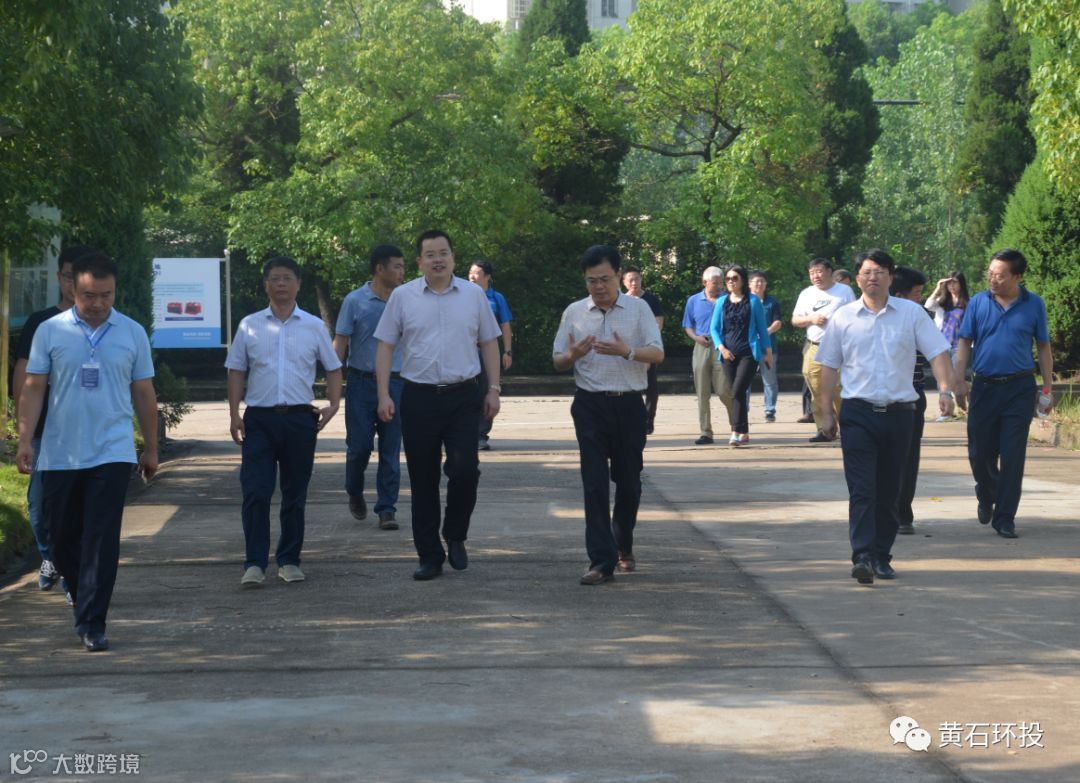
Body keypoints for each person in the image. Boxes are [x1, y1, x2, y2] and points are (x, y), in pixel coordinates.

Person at [16, 252, 159, 652]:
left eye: (105, 295)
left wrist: (150, 447)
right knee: (60, 537)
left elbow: (144, 393)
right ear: (71, 288)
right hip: (60, 452)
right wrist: (25, 440)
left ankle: (93, 622)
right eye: (89, 295)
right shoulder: (51, 331)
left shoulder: (131, 332)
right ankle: (84, 600)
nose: (97, 303)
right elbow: (34, 388)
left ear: (115, 291)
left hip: (112, 451)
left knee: (101, 538)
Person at [816, 250, 954, 584]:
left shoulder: (911, 314)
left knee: (890, 490)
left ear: (891, 277)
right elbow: (829, 366)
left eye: (879, 272)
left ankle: (881, 556)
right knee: (862, 489)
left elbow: (937, 352)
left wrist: (946, 390)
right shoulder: (844, 318)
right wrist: (825, 412)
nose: (872, 278)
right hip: (858, 413)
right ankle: (862, 555)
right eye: (866, 272)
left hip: (899, 415)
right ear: (857, 278)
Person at [375, 230, 502, 581]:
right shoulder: (403, 297)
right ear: (419, 262)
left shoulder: (473, 295)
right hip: (419, 397)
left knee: (465, 470)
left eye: (443, 253)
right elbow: (385, 346)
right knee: (423, 479)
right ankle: (429, 555)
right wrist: (384, 394)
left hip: (464, 396)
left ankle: (455, 533)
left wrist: (493, 389)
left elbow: (489, 342)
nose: (437, 260)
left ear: (453, 257)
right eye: (430, 254)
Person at [226, 257, 343, 588]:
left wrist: (334, 405)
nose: (281, 284)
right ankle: (254, 563)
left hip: (299, 420)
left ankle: (289, 560)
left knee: (295, 493)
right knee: (256, 491)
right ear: (266, 284)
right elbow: (236, 370)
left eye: (287, 278)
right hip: (259, 420)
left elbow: (333, 367)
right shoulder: (249, 325)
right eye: (275, 278)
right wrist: (234, 413)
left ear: (298, 284)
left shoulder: (313, 326)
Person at [553, 245, 664, 585]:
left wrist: (626, 351)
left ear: (618, 275)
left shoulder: (639, 308)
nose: (598, 286)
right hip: (590, 405)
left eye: (604, 279)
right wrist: (572, 354)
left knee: (629, 484)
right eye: (591, 281)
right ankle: (601, 561)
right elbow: (558, 360)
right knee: (594, 484)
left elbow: (657, 353)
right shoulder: (574, 312)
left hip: (628, 405)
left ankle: (622, 542)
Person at [954, 249, 1053, 540]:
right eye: (990, 274)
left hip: (1019, 388)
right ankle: (987, 492)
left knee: (1013, 454)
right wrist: (958, 381)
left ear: (1017, 277)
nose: (992, 280)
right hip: (984, 388)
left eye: (999, 275)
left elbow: (1043, 346)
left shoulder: (1034, 304)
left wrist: (1047, 388)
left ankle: (1005, 517)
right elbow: (964, 342)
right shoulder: (978, 302)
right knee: (979, 453)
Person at [13, 243, 91, 601]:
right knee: (39, 502)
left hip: (83, 431)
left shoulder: (102, 324)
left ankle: (73, 575)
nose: (73, 284)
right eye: (68, 276)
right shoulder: (40, 323)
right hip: (43, 428)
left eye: (80, 277)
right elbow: (23, 374)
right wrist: (22, 429)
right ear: (60, 277)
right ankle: (50, 557)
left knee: (76, 506)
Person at [333, 245, 406, 531]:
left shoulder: (405, 300)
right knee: (359, 447)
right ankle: (354, 489)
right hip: (361, 384)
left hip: (397, 383)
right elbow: (340, 342)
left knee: (391, 449)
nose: (402, 272)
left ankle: (387, 509)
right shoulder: (355, 301)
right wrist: (333, 380)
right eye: (397, 266)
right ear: (379, 268)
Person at [791, 257, 856, 442]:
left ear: (829, 272)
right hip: (814, 347)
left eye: (819, 271)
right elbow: (795, 320)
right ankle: (824, 429)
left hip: (839, 348)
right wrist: (811, 319)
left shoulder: (844, 291)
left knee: (839, 388)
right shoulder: (806, 294)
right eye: (812, 273)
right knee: (815, 387)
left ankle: (847, 427)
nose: (815, 276)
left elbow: (855, 316)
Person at [889, 266, 933, 535]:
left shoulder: (922, 317)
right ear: (899, 295)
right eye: (917, 293)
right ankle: (883, 509)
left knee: (908, 456)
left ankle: (903, 512)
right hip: (878, 396)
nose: (920, 298)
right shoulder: (873, 317)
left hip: (913, 395)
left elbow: (935, 352)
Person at [710, 265, 772, 446]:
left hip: (748, 354)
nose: (730, 281)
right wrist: (721, 348)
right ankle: (744, 432)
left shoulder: (753, 301)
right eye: (728, 278)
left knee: (737, 391)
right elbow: (714, 328)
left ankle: (735, 430)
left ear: (743, 280)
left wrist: (768, 352)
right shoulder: (721, 301)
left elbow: (762, 329)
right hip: (727, 355)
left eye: (734, 278)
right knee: (736, 393)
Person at [681, 267, 732, 445]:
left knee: (724, 390)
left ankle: (737, 425)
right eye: (715, 283)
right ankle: (706, 432)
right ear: (705, 283)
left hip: (722, 347)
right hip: (701, 346)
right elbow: (688, 325)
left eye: (720, 282)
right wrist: (696, 337)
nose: (719, 286)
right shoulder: (693, 300)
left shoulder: (728, 299)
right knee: (702, 392)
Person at [467, 261, 513, 451]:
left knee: (487, 391)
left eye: (477, 273)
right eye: (470, 272)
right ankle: (463, 432)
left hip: (487, 352)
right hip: (466, 351)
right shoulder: (462, 295)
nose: (472, 276)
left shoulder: (496, 298)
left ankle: (481, 435)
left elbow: (505, 325)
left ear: (487, 276)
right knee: (465, 392)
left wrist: (507, 351)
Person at [621, 265, 664, 434]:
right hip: (628, 349)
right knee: (631, 386)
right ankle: (634, 419)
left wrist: (649, 345)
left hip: (648, 348)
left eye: (637, 279)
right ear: (624, 282)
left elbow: (658, 323)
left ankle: (649, 420)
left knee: (651, 386)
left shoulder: (651, 299)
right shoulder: (621, 300)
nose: (634, 282)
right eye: (630, 280)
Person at [925, 270, 971, 419]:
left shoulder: (968, 303)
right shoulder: (943, 302)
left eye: (954, 282)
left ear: (961, 283)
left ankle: (963, 402)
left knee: (957, 378)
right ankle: (946, 411)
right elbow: (928, 305)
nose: (951, 286)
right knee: (943, 378)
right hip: (943, 344)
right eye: (949, 283)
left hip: (960, 344)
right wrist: (938, 287)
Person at [748, 270, 782, 423]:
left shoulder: (772, 302)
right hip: (748, 347)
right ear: (749, 284)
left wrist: (765, 332)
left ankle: (770, 410)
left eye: (762, 281)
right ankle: (743, 409)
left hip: (768, 347)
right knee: (745, 380)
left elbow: (778, 322)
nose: (760, 284)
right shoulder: (744, 301)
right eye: (756, 281)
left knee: (769, 380)